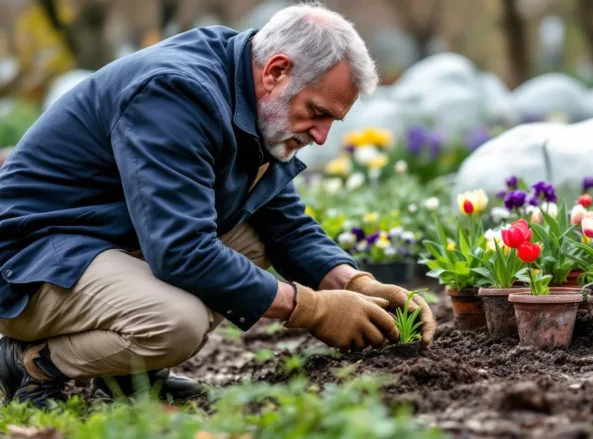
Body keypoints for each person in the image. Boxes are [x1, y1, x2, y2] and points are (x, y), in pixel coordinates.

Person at [0, 3, 436, 407]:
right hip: (30, 260)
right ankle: (30, 363)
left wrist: (356, 284)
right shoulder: (175, 94)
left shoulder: (246, 90)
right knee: (176, 323)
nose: (321, 136)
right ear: (277, 71)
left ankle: (129, 377)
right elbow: (181, 251)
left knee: (253, 238)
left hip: (100, 240)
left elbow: (284, 224)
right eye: (317, 112)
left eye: (331, 122)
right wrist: (312, 308)